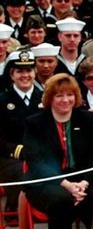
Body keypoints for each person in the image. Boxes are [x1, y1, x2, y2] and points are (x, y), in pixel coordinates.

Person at [23, 73, 93, 228]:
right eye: (59, 95)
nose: (65, 100)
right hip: (46, 182)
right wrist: (67, 185)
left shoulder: (87, 119)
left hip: (81, 180)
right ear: (50, 98)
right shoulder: (34, 123)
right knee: (62, 201)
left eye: (70, 95)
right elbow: (36, 163)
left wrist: (82, 184)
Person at [0, 51, 43, 210]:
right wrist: (22, 151)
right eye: (20, 71)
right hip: (12, 158)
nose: (25, 75)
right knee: (23, 176)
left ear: (35, 73)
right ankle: (20, 209)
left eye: (29, 71)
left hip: (42, 156)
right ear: (12, 75)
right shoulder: (2, 101)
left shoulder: (45, 98)